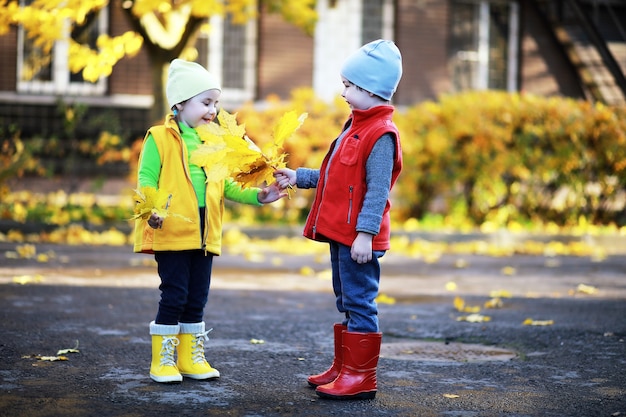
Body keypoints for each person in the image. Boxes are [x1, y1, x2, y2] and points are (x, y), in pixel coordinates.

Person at [134, 59, 286, 384]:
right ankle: (162, 361)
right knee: (174, 294)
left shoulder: (212, 143)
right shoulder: (159, 138)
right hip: (173, 229)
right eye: (205, 102)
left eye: (216, 103)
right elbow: (146, 178)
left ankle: (190, 358)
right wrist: (153, 208)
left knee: (197, 297)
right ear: (179, 104)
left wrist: (260, 196)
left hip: (205, 232)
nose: (213, 110)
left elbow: (227, 185)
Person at [274, 39, 403, 400]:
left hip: (357, 239)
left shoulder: (381, 135)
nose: (343, 91)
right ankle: (344, 367)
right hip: (341, 234)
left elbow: (377, 191)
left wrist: (365, 234)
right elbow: (336, 175)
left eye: (349, 85)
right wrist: (298, 177)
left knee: (360, 302)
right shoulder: (355, 125)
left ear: (371, 89)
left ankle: (361, 377)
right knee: (345, 299)